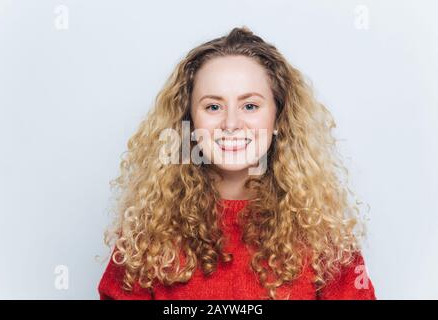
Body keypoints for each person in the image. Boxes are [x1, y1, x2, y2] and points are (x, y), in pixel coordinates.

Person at [98, 26, 376, 300]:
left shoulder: (322, 234)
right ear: (189, 123)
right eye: (213, 107)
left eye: (250, 106)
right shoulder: (147, 232)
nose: (231, 124)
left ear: (279, 118)